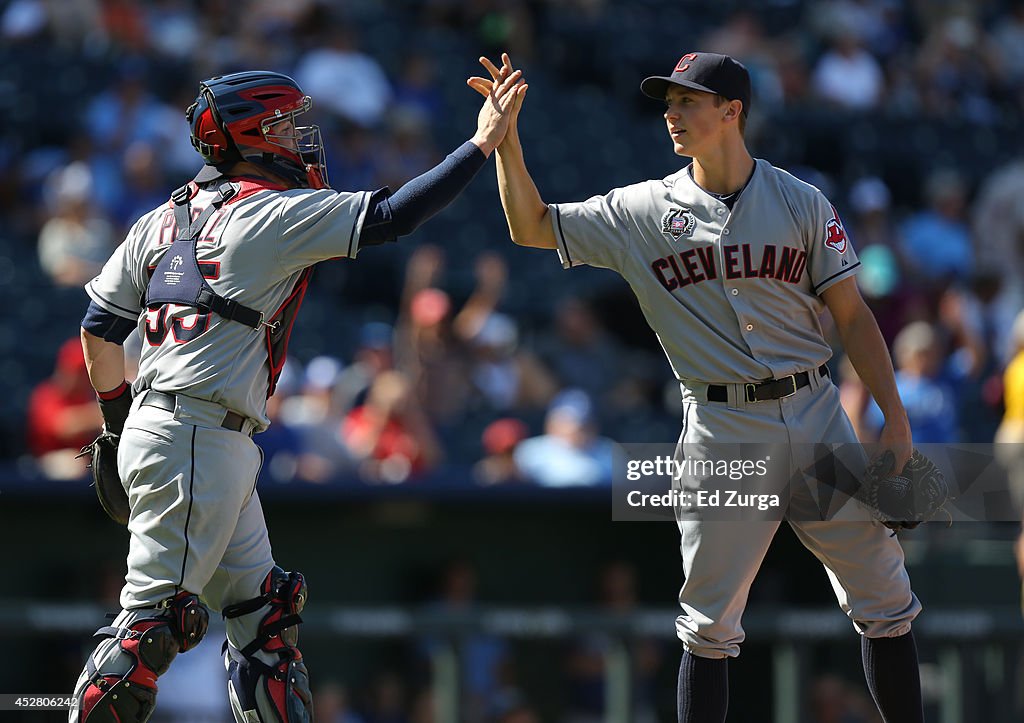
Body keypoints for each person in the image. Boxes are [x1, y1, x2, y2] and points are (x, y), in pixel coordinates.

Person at [473, 52, 923, 721]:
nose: (672, 115)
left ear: (732, 111)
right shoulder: (643, 210)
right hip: (722, 427)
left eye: (688, 101)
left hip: (815, 410)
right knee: (709, 626)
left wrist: (895, 420)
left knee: (887, 602)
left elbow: (853, 317)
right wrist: (506, 145)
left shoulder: (800, 200)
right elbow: (530, 225)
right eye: (668, 104)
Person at [70, 65, 524, 723]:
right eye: (284, 124)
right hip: (199, 437)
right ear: (250, 134)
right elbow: (394, 215)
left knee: (265, 620)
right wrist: (481, 143)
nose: (300, 137)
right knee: (147, 633)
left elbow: (99, 332)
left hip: (179, 429)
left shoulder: (159, 219)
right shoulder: (268, 211)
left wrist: (116, 431)